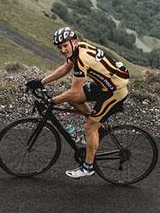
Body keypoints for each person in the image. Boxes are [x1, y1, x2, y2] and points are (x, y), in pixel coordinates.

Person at [27, 26, 133, 178]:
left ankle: (88, 167)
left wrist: (52, 101)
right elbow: (65, 68)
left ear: (74, 42)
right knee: (74, 101)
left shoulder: (82, 58)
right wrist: (41, 82)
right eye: (60, 47)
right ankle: (97, 128)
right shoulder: (78, 49)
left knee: (90, 127)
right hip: (105, 84)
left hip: (115, 90)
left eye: (65, 45)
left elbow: (75, 90)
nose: (63, 50)